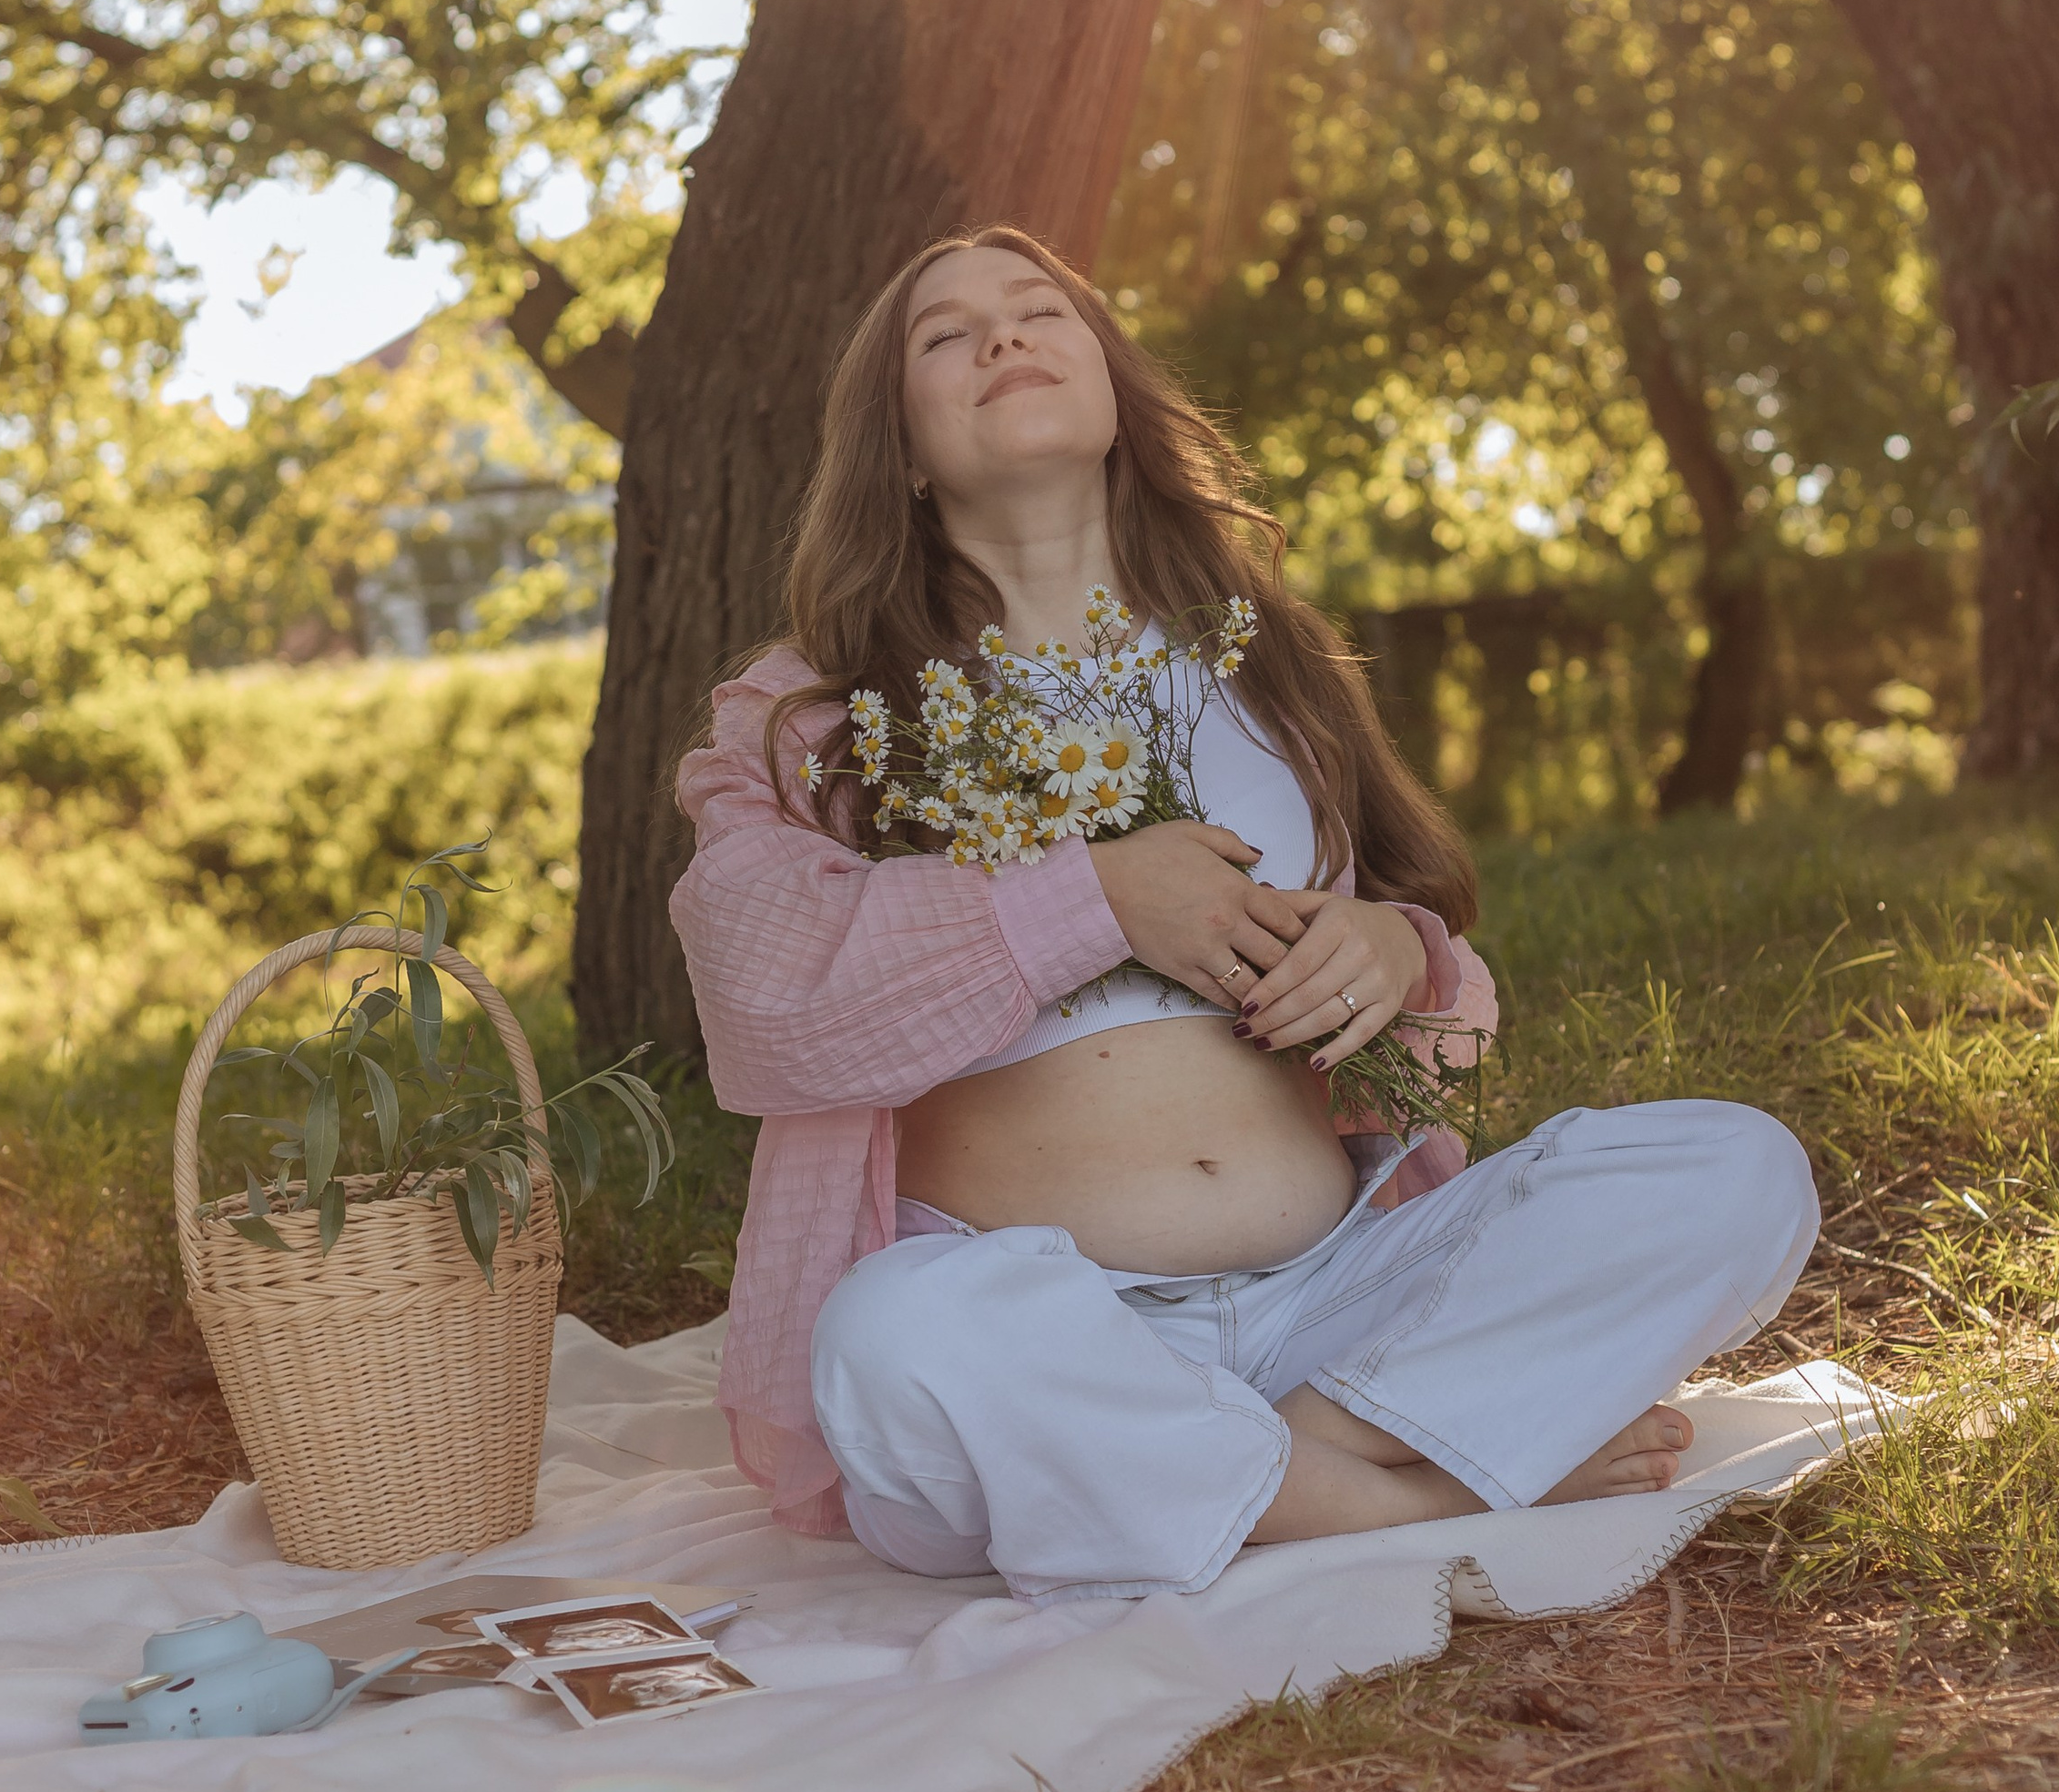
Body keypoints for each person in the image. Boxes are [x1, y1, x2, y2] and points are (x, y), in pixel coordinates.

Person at [669, 227, 1819, 1604]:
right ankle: (1442, 1478)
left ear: (1110, 397)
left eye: (1040, 311)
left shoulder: (1260, 664)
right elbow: (762, 991)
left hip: (1338, 1296)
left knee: (1738, 1168)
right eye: (945, 334)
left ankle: (1290, 1471)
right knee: (893, 1336)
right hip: (1060, 1340)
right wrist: (1094, 897)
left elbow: (1428, 958)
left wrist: (1400, 954)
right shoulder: (821, 711)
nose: (1002, 338)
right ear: (901, 447)